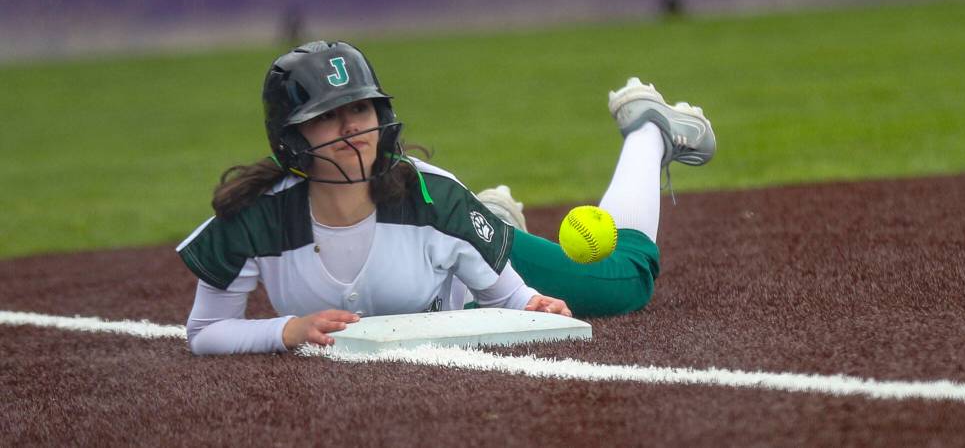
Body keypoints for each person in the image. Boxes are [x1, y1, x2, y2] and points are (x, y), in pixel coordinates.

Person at [177, 41, 715, 355]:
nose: (351, 129)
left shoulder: (432, 197)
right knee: (460, 273)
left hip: (456, 242)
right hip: (448, 267)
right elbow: (204, 332)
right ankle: (485, 235)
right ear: (292, 137)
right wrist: (287, 330)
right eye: (327, 118)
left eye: (360, 110)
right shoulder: (253, 219)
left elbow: (515, 303)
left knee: (622, 282)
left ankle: (649, 131)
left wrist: (533, 304)